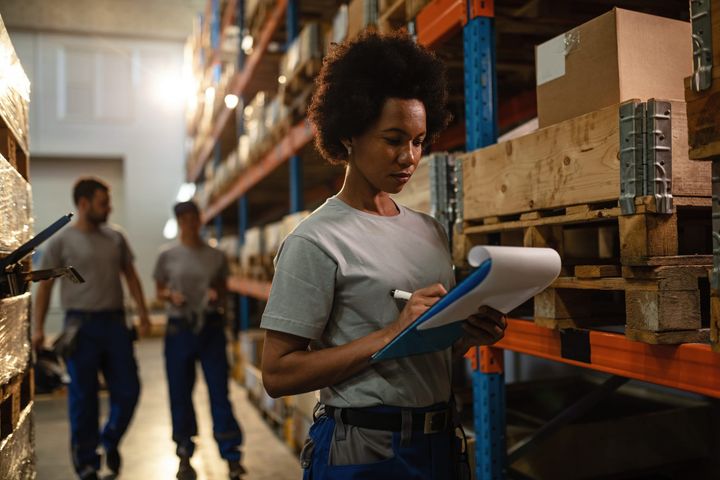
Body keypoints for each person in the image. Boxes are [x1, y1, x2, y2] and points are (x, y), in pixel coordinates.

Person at [260, 31, 507, 480]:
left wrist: (466, 335)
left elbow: (424, 350)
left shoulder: (429, 230)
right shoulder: (315, 241)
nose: (409, 157)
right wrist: (392, 332)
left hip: (438, 442)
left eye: (418, 141)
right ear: (350, 134)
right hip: (364, 451)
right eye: (393, 139)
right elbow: (277, 375)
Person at [32, 177, 151, 480]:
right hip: (79, 329)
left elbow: (132, 276)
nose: (109, 208)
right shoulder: (60, 241)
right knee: (83, 399)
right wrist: (38, 329)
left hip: (115, 326)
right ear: (83, 204)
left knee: (129, 391)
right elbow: (44, 288)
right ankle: (86, 464)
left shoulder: (116, 237)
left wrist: (144, 314)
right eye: (103, 202)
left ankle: (109, 440)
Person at [153, 200, 244, 480]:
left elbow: (223, 286)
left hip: (210, 328)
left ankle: (231, 455)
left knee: (219, 391)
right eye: (186, 219)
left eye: (195, 218)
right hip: (179, 328)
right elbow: (159, 290)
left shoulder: (215, 256)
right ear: (179, 222)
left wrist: (217, 294)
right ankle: (183, 454)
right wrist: (172, 296)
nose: (192, 224)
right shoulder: (167, 256)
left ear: (200, 220)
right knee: (180, 392)